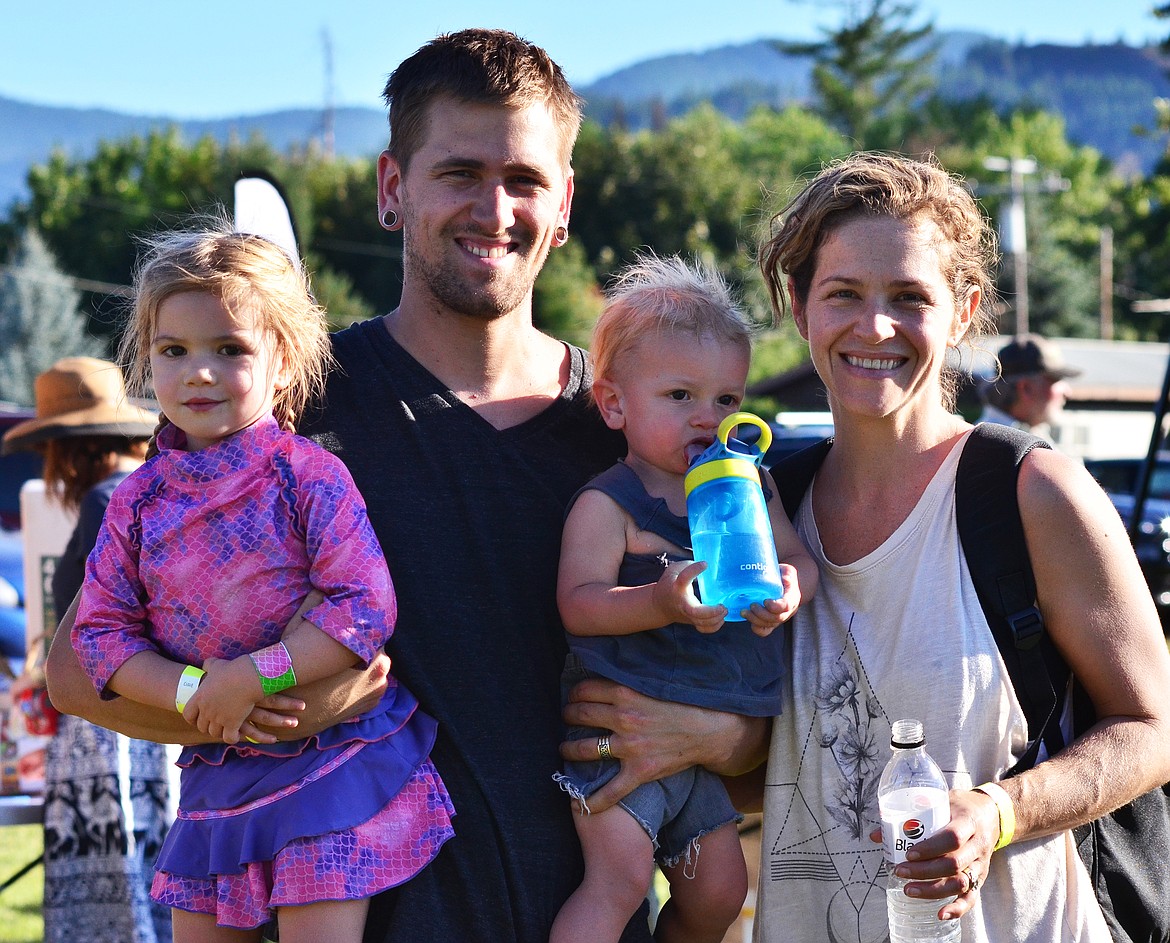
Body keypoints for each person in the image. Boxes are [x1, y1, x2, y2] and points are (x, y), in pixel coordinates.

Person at [45, 30, 766, 943]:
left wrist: (705, 738)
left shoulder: (642, 432)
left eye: (526, 180)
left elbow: (769, 714)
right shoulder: (280, 410)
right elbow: (78, 672)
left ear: (567, 200)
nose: (494, 207)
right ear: (393, 188)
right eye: (458, 172)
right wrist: (266, 705)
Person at [750, 151, 1170, 942]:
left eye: (910, 297)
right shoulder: (769, 508)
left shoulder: (1029, 493)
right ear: (801, 305)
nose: (875, 326)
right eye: (843, 294)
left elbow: (1154, 726)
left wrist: (999, 811)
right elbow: (783, 760)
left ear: (963, 308)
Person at [69, 223, 454, 943]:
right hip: (218, 774)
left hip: (331, 763)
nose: (199, 372)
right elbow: (99, 635)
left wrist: (258, 674)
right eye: (173, 350)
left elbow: (365, 605)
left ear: (282, 362)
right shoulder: (136, 502)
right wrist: (203, 693)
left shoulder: (307, 474)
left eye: (230, 349)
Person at [550, 255, 818, 943]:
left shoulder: (748, 484)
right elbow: (579, 602)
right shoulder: (611, 501)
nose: (708, 418)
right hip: (618, 729)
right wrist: (658, 602)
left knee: (724, 889)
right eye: (680, 397)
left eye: (726, 399)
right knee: (619, 879)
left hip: (701, 747)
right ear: (615, 404)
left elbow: (796, 559)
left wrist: (789, 590)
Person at [1, 356, 170, 943]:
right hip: (163, 718)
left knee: (112, 906)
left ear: (67, 449)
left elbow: (99, 633)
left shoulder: (105, 501)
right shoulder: (156, 486)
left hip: (107, 728)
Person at [978, 333, 1081, 439]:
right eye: (1055, 380)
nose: (1068, 393)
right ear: (1025, 388)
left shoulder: (1030, 434)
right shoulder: (992, 444)